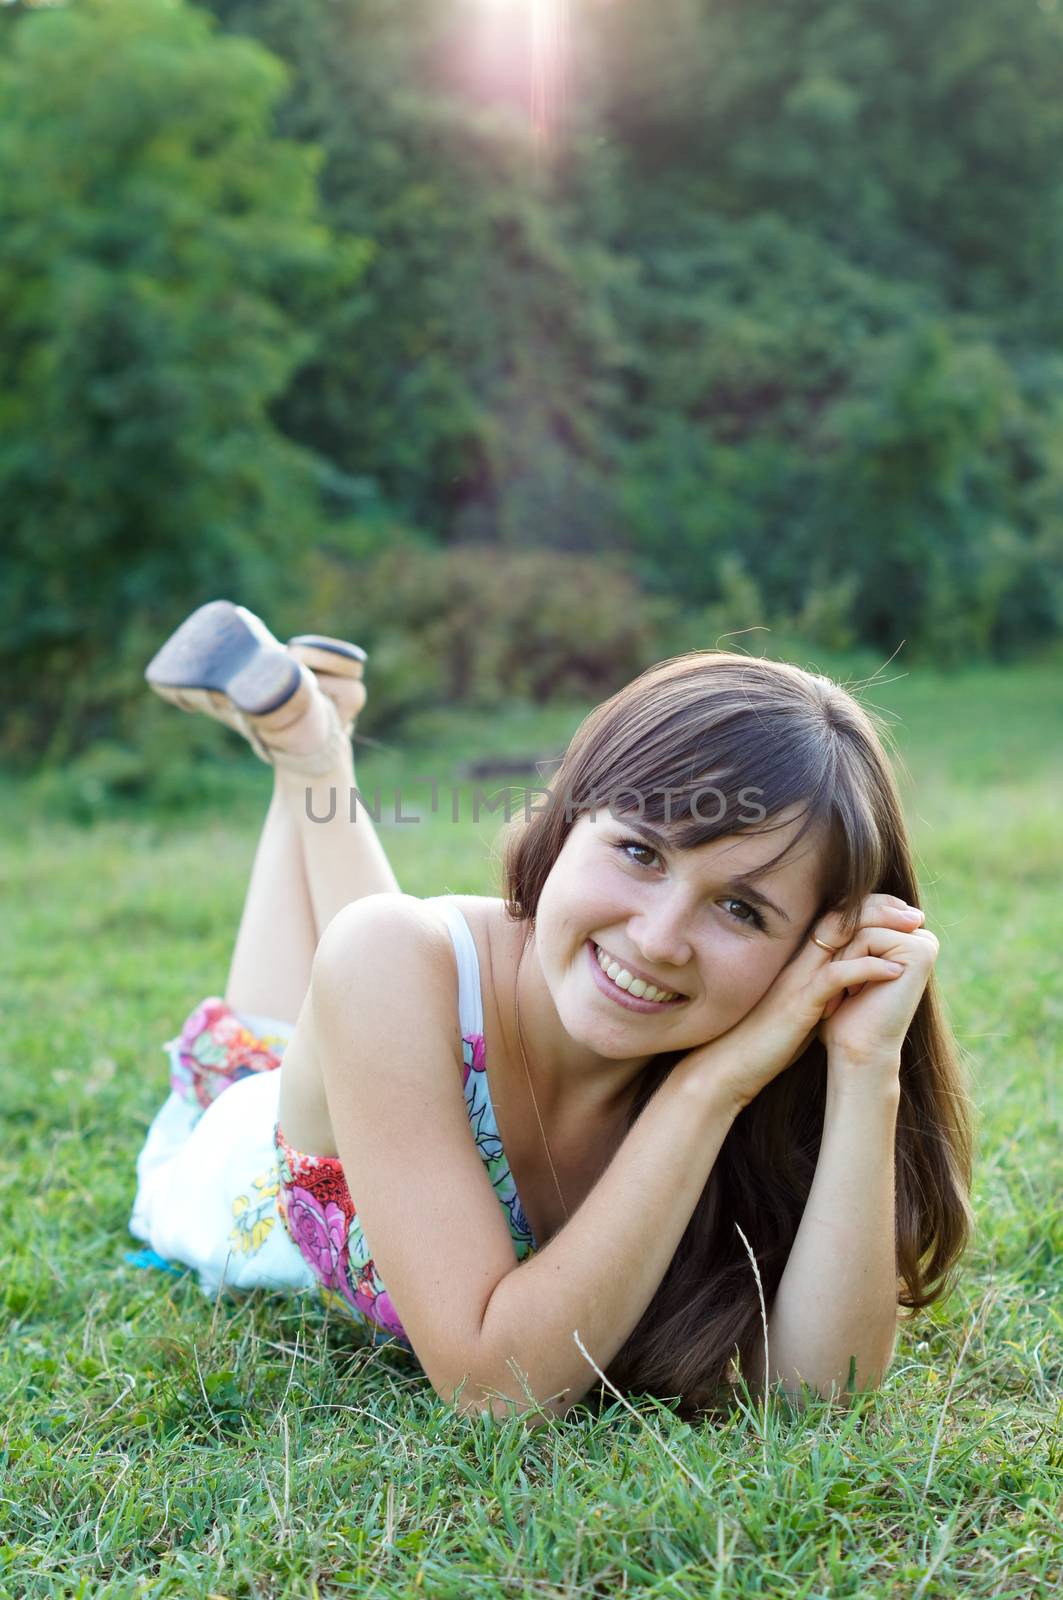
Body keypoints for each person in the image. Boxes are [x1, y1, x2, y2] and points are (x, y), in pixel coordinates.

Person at [129, 600, 974, 1424]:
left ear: (810, 953)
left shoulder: (770, 1064)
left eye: (741, 910)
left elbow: (815, 1395)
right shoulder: (389, 964)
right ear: (564, 819)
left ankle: (313, 745)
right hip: (240, 1148)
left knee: (398, 969)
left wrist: (865, 1066)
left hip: (410, 1037)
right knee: (365, 965)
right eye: (639, 850)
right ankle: (311, 753)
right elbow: (496, 1389)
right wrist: (706, 1090)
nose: (658, 938)